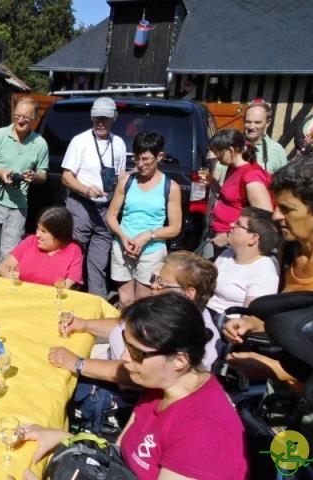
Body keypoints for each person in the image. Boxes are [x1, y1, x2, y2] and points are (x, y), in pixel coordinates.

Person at [21, 294, 248, 480]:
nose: (124, 358)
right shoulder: (160, 383)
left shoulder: (202, 436)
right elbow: (119, 458)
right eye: (126, 345)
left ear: (179, 361)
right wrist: (65, 439)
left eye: (136, 352)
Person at [224, 152, 313, 383]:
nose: (276, 215)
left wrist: (274, 369)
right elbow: (289, 319)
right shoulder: (288, 253)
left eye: (287, 209)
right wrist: (251, 323)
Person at [52, 251, 221, 380]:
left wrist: (77, 363)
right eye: (155, 278)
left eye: (161, 282)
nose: (153, 285)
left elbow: (137, 375)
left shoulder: (194, 340)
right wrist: (83, 324)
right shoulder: (167, 313)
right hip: (104, 359)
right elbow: (126, 325)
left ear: (189, 293)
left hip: (115, 388)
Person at [105, 132, 182, 307]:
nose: (140, 164)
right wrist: (123, 237)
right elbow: (111, 215)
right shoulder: (127, 181)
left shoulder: (171, 187)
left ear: (159, 156)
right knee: (125, 300)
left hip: (151, 251)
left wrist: (148, 235)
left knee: (143, 301)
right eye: (136, 159)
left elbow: (175, 228)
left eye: (146, 159)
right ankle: (121, 333)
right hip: (123, 247)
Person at [0, 97, 48, 274]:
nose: (20, 120)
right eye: (17, 116)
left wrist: (34, 176)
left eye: (26, 118)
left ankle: (2, 296)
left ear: (34, 119)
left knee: (9, 259)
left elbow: (43, 176)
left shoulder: (40, 143)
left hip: (18, 205)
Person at [61, 97, 127, 297]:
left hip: (106, 209)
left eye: (105, 118)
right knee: (73, 254)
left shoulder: (119, 143)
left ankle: (95, 301)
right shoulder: (80, 141)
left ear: (113, 118)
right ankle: (68, 296)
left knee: (99, 262)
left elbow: (121, 176)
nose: (100, 122)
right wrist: (85, 189)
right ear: (91, 118)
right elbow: (66, 177)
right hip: (80, 205)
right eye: (97, 118)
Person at [207, 128, 273, 259]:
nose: (216, 155)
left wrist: (227, 237)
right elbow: (230, 199)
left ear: (230, 150)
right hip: (221, 235)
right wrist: (213, 183)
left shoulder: (252, 177)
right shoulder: (233, 168)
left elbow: (263, 217)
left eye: (218, 152)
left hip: (234, 243)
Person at [207, 207, 281, 319]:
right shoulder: (227, 254)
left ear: (253, 238)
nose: (232, 225)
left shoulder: (264, 272)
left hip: (225, 325)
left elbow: (249, 317)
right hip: (205, 314)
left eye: (238, 224)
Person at [0, 206, 83, 288]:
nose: (38, 234)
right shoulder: (31, 241)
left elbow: (67, 285)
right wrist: (16, 283)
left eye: (44, 231)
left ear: (59, 234)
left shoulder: (74, 250)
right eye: (38, 228)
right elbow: (2, 268)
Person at [213, 100, 288, 184]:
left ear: (268, 123)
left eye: (257, 122)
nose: (252, 127)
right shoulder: (229, 143)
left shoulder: (277, 150)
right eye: (248, 122)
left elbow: (283, 184)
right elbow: (215, 177)